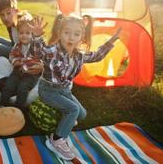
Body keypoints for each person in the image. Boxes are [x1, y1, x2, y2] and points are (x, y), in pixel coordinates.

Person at [33, 14, 121, 160]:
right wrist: (36, 37)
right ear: (60, 33)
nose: (71, 37)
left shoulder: (79, 55)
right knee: (72, 109)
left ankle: (64, 120)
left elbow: (97, 56)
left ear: (82, 37)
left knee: (82, 114)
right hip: (48, 90)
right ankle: (56, 139)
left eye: (76, 34)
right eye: (66, 32)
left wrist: (111, 41)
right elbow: (38, 52)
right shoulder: (52, 51)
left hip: (65, 90)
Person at [0, 0, 43, 90]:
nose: (5, 18)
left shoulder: (23, 21)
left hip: (23, 54)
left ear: (16, 11)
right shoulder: (10, 23)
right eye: (2, 15)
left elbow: (36, 45)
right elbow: (14, 42)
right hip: (16, 46)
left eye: (8, 13)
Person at [0, 13, 43, 108]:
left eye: (28, 33)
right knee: (8, 85)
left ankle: (18, 108)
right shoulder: (18, 45)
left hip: (31, 73)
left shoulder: (35, 44)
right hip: (18, 70)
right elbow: (12, 55)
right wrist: (15, 61)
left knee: (22, 88)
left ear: (33, 33)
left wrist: (38, 37)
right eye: (21, 33)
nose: (24, 36)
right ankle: (3, 105)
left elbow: (41, 52)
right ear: (18, 33)